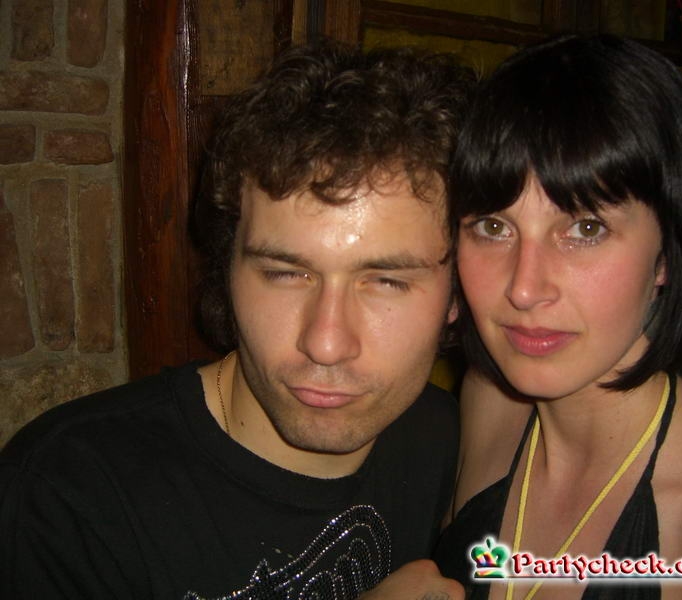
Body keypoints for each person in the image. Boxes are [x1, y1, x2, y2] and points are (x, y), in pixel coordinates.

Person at [0, 41, 474, 600]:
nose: (325, 343)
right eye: (285, 273)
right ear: (228, 268)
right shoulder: (68, 494)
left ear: (457, 294)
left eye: (387, 282)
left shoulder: (451, 443)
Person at [433, 34, 682, 599]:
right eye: (493, 226)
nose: (524, 289)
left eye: (586, 228)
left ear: (668, 252)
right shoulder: (489, 401)